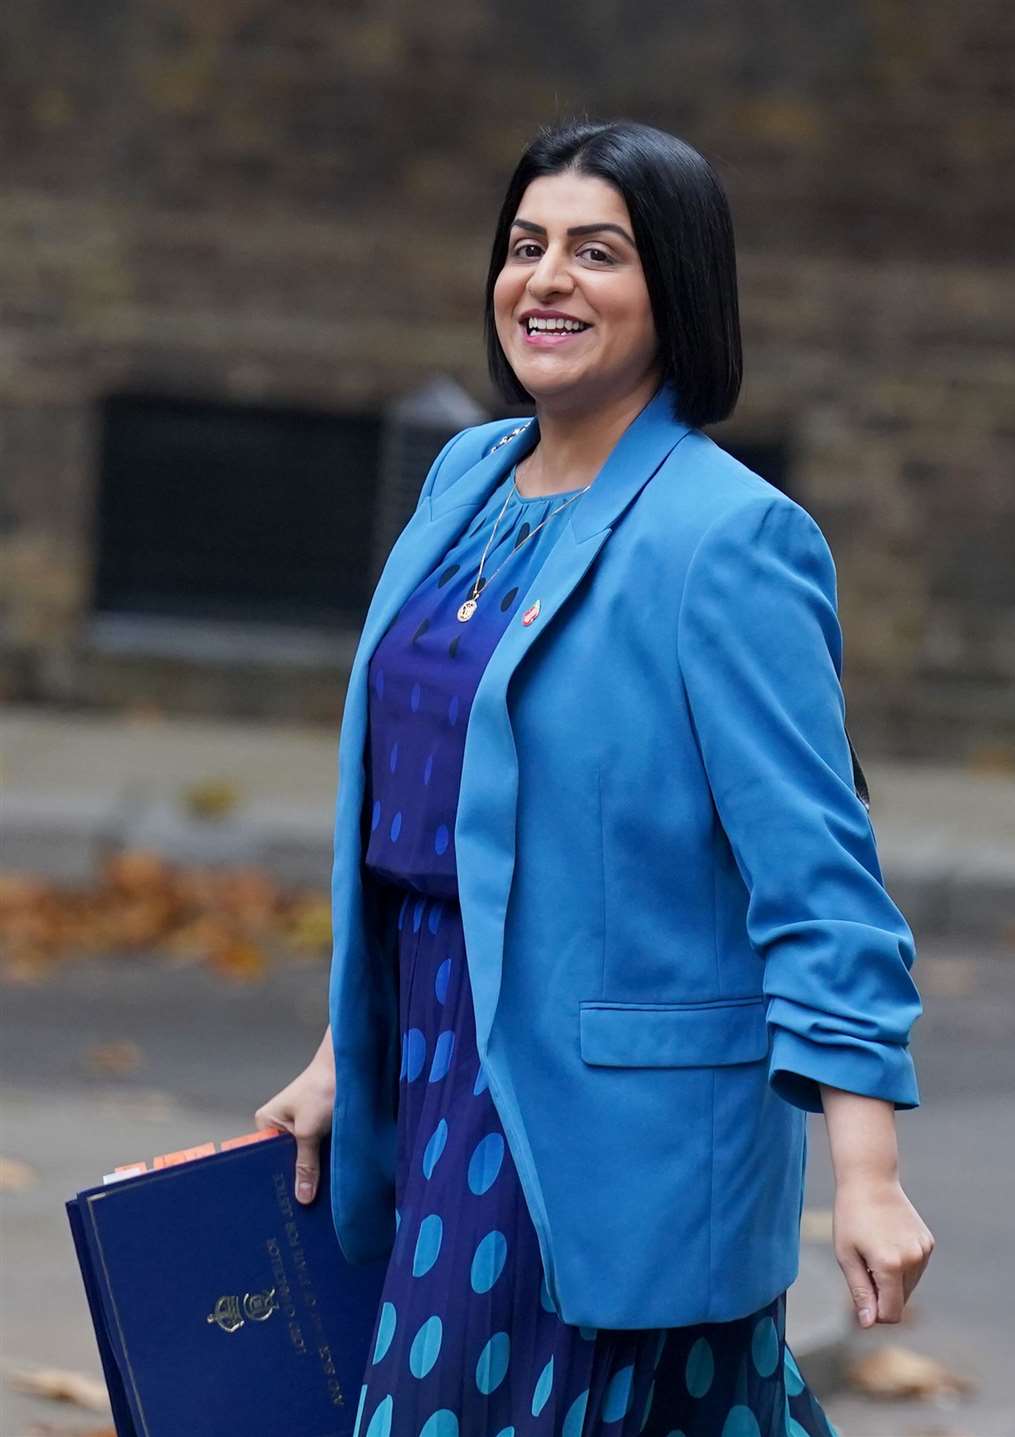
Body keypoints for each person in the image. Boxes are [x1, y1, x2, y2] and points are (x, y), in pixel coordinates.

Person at [256, 117, 934, 1437]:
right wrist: (348, 1052)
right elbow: (433, 825)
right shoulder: (463, 478)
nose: (546, 278)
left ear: (674, 290)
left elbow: (820, 876)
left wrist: (868, 1170)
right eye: (526, 246)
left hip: (602, 1122)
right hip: (436, 1070)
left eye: (597, 252)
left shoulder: (726, 537)